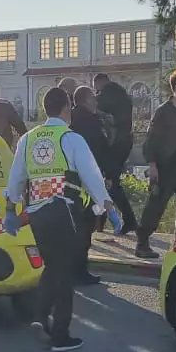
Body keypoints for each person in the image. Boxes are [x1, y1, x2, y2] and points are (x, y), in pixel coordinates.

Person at [5, 87, 114, 352]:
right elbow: (91, 176)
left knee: (53, 265)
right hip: (64, 211)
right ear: (66, 108)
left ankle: (40, 319)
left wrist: (10, 208)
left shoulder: (28, 140)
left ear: (45, 108)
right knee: (64, 271)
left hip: (37, 213)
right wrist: (108, 207)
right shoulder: (71, 138)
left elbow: (16, 177)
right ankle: (59, 335)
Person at [135, 69, 176, 260]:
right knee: (156, 206)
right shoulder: (163, 111)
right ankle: (142, 243)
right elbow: (151, 140)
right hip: (165, 166)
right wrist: (153, 164)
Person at [69, 86, 110, 287]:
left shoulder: (70, 121)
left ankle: (72, 269)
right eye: (93, 98)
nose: (96, 101)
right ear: (85, 100)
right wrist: (108, 175)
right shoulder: (91, 123)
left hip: (71, 181)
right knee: (85, 226)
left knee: (76, 225)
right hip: (87, 181)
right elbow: (100, 150)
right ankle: (79, 271)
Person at [93, 73, 137, 235]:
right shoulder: (122, 94)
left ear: (100, 82)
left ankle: (128, 220)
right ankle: (101, 223)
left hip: (115, 144)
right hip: (125, 142)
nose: (95, 90)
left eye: (95, 86)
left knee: (111, 183)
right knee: (108, 182)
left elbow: (94, 107)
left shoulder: (107, 95)